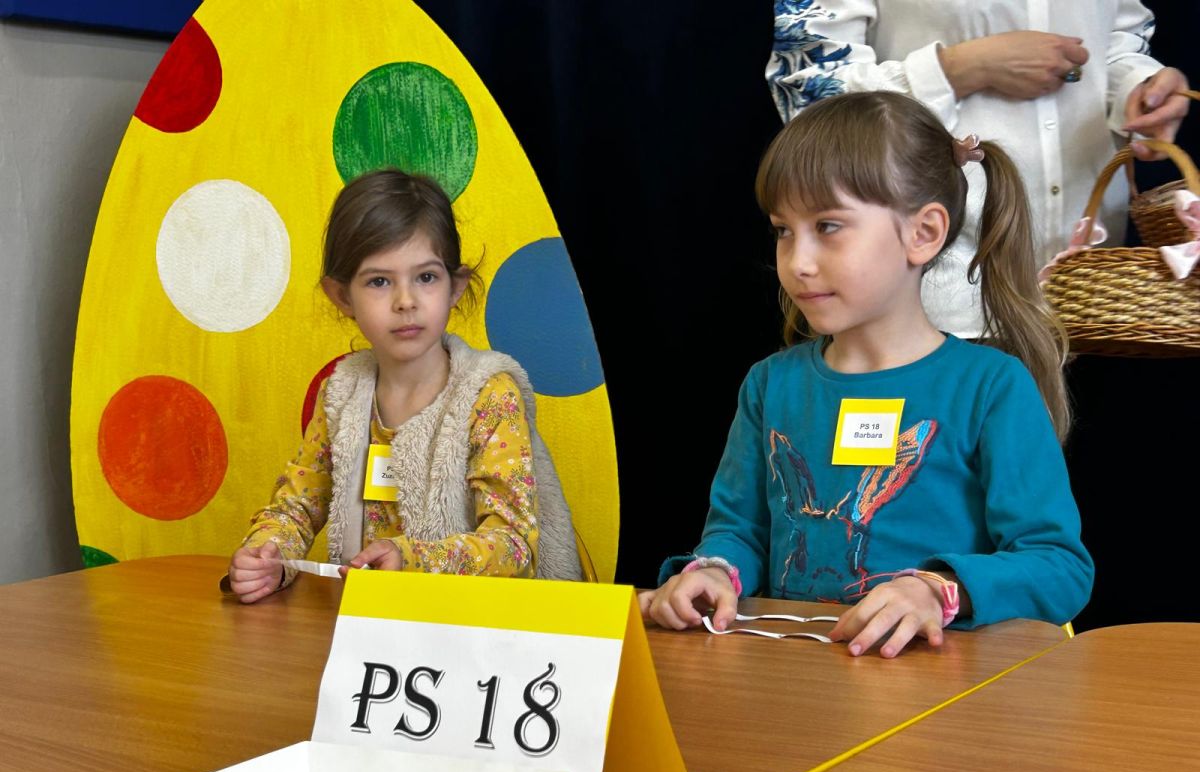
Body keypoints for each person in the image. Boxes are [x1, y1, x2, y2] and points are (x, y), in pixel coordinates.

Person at [641, 91, 1093, 657]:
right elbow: (738, 532)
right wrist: (713, 572)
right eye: (783, 230)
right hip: (791, 683)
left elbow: (1058, 567)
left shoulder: (992, 386)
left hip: (944, 693)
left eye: (828, 226)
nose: (798, 262)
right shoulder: (768, 385)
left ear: (923, 233)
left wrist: (938, 591)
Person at [227, 169, 582, 603]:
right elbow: (296, 505)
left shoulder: (489, 396)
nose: (405, 301)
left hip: (468, 625)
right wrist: (267, 554)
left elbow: (514, 545)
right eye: (379, 281)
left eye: (426, 277)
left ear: (455, 287)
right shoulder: (341, 395)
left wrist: (412, 560)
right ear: (342, 296)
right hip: (370, 626)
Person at [767, 2, 1189, 337]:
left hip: (1100, 296)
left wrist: (1138, 89)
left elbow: (1115, 39)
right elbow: (808, 89)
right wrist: (959, 69)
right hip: (935, 298)